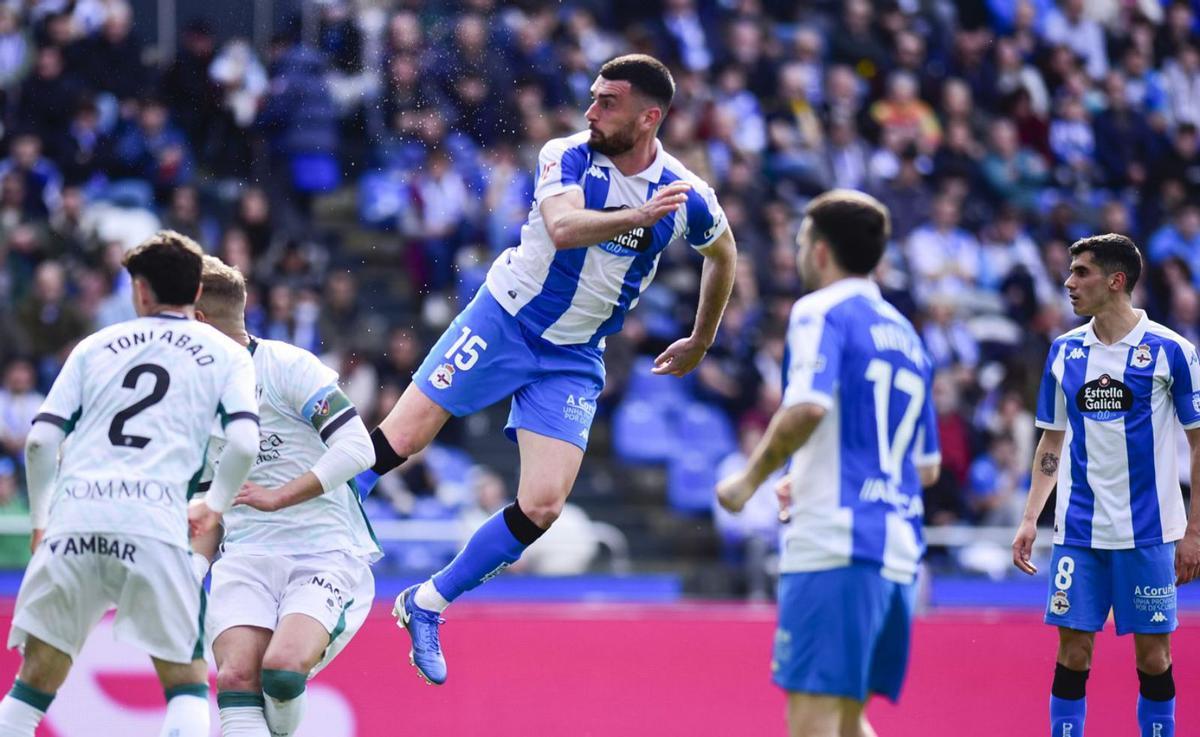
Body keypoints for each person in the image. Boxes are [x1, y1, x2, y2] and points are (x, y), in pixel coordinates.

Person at [362, 53, 737, 685]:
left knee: (542, 505)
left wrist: (701, 339)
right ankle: (310, 525)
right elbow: (562, 229)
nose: (591, 111)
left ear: (649, 118)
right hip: (504, 321)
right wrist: (639, 218)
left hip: (573, 355)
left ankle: (425, 604)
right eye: (592, 96)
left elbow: (723, 255)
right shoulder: (566, 156)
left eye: (607, 103)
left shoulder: (686, 194)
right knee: (400, 440)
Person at [0, 231, 259, 737]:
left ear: (140, 290)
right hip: (153, 525)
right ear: (198, 294)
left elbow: (39, 443)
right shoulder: (227, 355)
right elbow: (244, 444)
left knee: (31, 687)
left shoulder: (94, 346)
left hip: (74, 522)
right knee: (185, 684)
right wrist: (215, 504)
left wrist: (40, 522)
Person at [716, 190, 940, 737]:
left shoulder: (820, 311)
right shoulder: (909, 337)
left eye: (799, 243)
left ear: (819, 252)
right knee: (847, 721)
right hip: (896, 553)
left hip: (834, 545)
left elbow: (808, 406)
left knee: (813, 724)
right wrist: (812, 470)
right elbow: (926, 467)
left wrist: (751, 480)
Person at [1012, 234, 1200, 737]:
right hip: (1079, 532)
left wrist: (1195, 531)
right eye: (1070, 272)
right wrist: (1031, 518)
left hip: (1150, 532)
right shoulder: (1064, 352)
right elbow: (1051, 441)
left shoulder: (1172, 352)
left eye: (1081, 272)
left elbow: (1199, 443)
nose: (1069, 282)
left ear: (1116, 281)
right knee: (1072, 651)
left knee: (1154, 657)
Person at [191, 256, 377, 737]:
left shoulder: (288, 366)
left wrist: (278, 497)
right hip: (246, 553)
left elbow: (358, 447)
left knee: (282, 670)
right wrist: (190, 575)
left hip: (323, 550)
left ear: (200, 321)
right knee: (235, 676)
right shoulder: (191, 396)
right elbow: (206, 503)